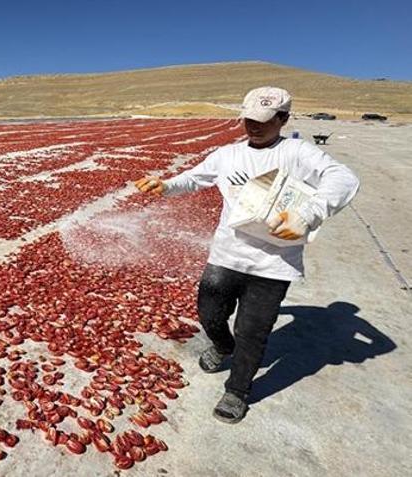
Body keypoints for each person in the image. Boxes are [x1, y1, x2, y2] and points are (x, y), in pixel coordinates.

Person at [134, 86, 360, 423]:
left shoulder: (297, 152)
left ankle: (237, 390)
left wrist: (311, 211)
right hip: (227, 254)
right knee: (209, 315)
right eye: (249, 119)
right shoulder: (228, 155)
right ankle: (223, 346)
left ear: (283, 118)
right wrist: (166, 185)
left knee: (252, 331)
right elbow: (195, 178)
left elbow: (343, 178)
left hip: (273, 263)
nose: (253, 126)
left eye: (264, 120)